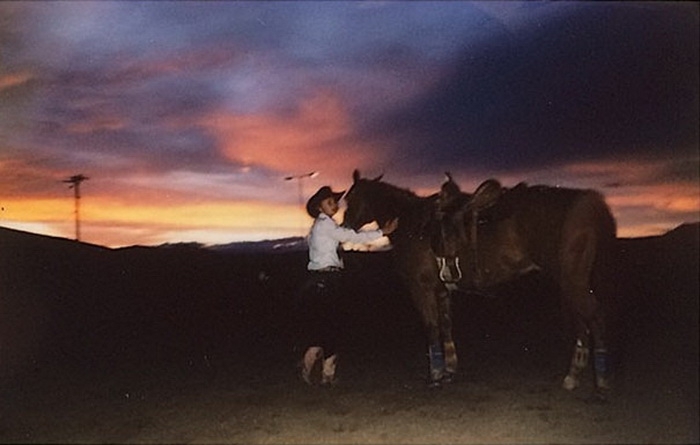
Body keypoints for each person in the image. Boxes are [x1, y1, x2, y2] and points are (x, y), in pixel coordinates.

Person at [298, 185, 398, 386]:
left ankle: (309, 368)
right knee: (331, 327)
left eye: (334, 202)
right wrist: (382, 232)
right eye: (329, 202)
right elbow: (351, 236)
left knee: (323, 328)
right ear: (319, 207)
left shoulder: (323, 226)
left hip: (322, 280)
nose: (334, 205)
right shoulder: (326, 226)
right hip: (326, 281)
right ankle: (326, 374)